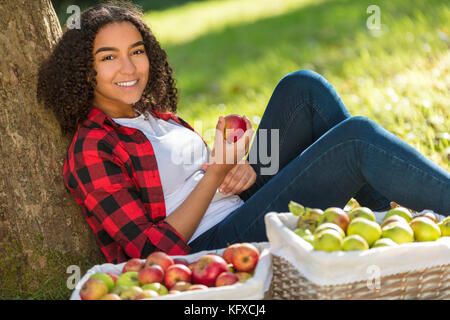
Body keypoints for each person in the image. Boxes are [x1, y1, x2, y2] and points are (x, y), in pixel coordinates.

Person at [37, 2, 450, 263]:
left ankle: (390, 222)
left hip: (240, 203)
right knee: (355, 139)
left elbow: (208, 177)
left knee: (302, 88)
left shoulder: (153, 116)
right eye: (108, 57)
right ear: (83, 70)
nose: (128, 68)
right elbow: (153, 252)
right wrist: (215, 175)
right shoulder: (92, 147)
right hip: (213, 248)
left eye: (137, 51)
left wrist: (242, 167)